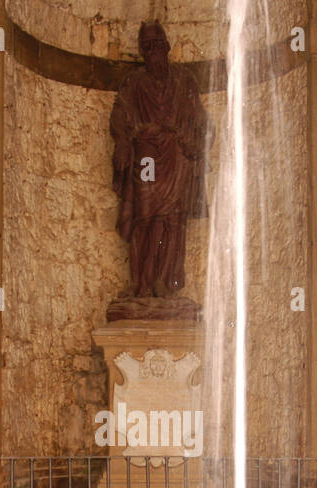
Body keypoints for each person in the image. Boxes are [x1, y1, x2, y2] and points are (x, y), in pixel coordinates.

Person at [110, 21, 209, 298]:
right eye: (147, 47)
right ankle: (141, 283)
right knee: (145, 215)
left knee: (174, 219)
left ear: (166, 48)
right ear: (143, 52)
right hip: (147, 158)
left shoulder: (184, 80)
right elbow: (120, 114)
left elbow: (199, 116)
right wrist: (122, 141)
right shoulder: (134, 83)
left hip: (176, 155)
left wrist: (201, 138)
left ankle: (166, 283)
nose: (153, 52)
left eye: (157, 45)